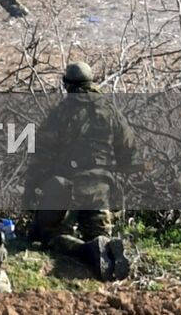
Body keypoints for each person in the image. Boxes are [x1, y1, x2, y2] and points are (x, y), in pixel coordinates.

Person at [26, 62, 138, 281]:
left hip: (67, 188)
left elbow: (42, 154)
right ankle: (102, 250)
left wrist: (33, 190)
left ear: (67, 84)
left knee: (53, 236)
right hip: (101, 187)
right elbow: (129, 149)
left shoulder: (61, 113)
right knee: (99, 235)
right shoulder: (110, 110)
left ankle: (85, 250)